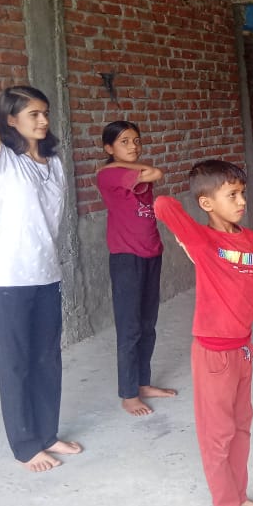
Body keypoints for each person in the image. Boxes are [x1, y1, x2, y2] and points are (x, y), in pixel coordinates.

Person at [0, 86, 83, 472]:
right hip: (9, 278)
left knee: (47, 359)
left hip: (46, 273)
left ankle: (47, 434)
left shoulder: (54, 163)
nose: (43, 121)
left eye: (45, 113)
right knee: (16, 364)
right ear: (11, 120)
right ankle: (25, 445)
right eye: (33, 114)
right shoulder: (3, 160)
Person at [154, 161, 253, 506]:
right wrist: (192, 227)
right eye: (231, 195)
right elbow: (163, 206)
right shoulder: (203, 242)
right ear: (207, 203)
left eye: (242, 193)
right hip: (214, 354)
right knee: (217, 433)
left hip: (242, 349)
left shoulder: (250, 239)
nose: (241, 202)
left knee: (241, 427)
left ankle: (238, 494)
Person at [96, 121, 176, 416]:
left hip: (151, 252)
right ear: (108, 149)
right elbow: (155, 172)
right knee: (129, 327)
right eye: (124, 142)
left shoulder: (129, 170)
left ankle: (142, 382)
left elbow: (152, 173)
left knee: (147, 324)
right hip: (126, 257)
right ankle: (128, 394)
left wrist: (140, 166)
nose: (133, 147)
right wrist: (143, 168)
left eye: (136, 141)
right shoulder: (108, 174)